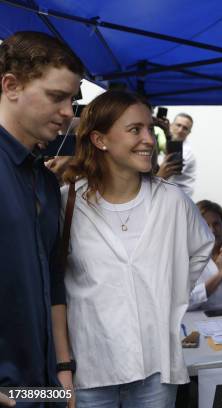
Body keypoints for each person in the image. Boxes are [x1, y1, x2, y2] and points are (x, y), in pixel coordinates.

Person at [57, 90, 214, 407]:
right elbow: (52, 283)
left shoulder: (171, 201)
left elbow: (201, 249)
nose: (148, 140)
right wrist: (63, 367)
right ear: (101, 140)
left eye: (149, 129)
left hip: (156, 372)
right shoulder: (67, 201)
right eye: (134, 130)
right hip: (89, 373)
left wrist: (165, 293)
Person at [0, 31, 84, 408]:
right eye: (57, 97)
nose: (69, 111)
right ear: (11, 86)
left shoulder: (46, 182)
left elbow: (52, 279)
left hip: (41, 390)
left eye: (72, 99)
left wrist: (62, 373)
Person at [189, 200, 222, 311]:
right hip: (199, 323)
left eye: (216, 224)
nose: (212, 230)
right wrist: (221, 275)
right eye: (205, 225)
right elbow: (184, 303)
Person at [157, 113, 196, 197]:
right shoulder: (163, 142)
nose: (180, 130)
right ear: (170, 125)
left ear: (189, 132)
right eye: (178, 125)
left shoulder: (186, 152)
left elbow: (166, 174)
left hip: (179, 201)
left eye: (185, 128)